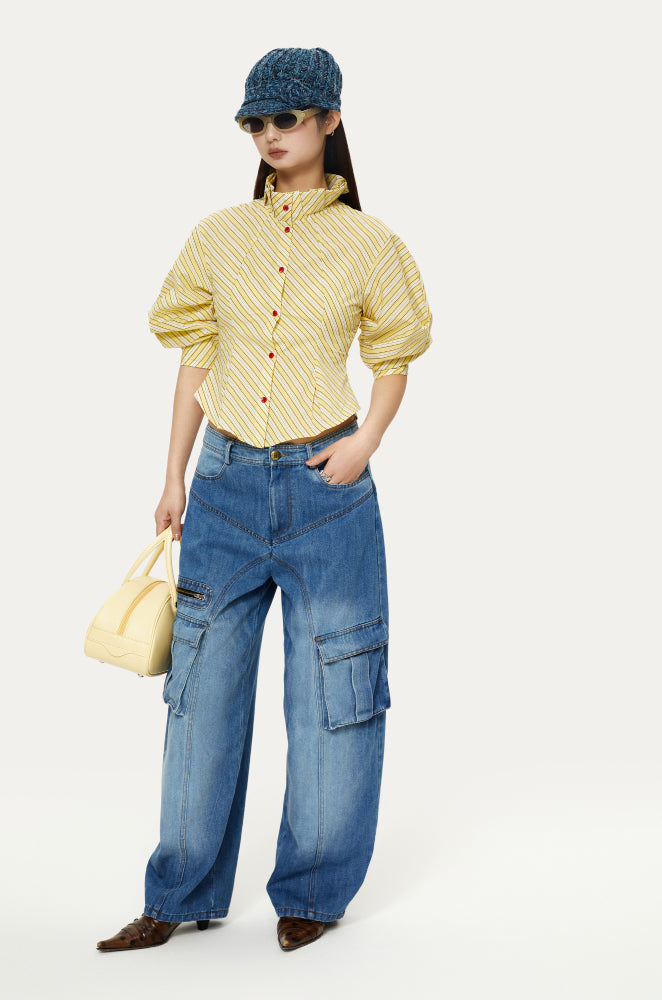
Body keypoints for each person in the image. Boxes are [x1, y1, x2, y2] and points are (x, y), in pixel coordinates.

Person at [97, 45, 433, 954]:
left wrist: (365, 443)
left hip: (329, 491)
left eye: (287, 118)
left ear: (329, 120)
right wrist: (172, 475)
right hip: (224, 487)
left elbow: (394, 354)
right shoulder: (218, 236)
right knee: (198, 696)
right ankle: (179, 894)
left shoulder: (371, 244)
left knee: (335, 690)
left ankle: (313, 893)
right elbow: (195, 358)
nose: (271, 135)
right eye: (257, 122)